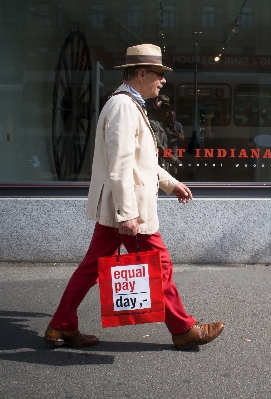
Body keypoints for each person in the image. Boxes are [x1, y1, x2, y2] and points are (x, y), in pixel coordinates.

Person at [44, 44, 224, 351]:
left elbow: (142, 160)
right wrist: (127, 213)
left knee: (90, 268)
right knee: (161, 264)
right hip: (127, 211)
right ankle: (183, 329)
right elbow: (120, 166)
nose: (162, 80)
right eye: (158, 74)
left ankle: (61, 326)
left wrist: (170, 183)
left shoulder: (130, 105)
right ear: (140, 73)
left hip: (118, 209)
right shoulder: (124, 107)